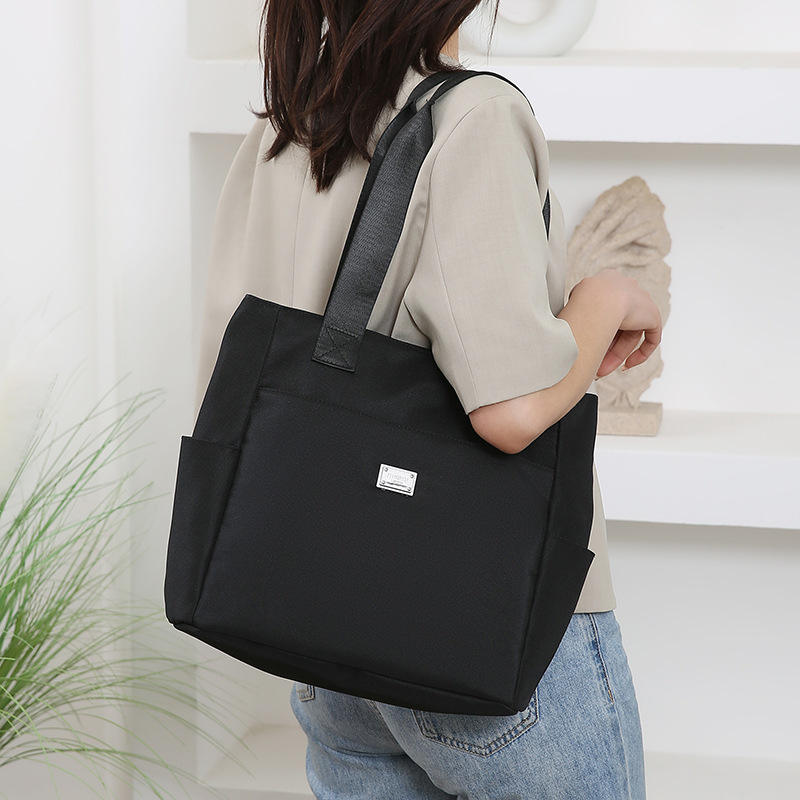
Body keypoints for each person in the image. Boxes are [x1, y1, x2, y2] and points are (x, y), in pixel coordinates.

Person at [195, 2, 661, 797]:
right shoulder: (472, 116)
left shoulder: (291, 121)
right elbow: (511, 410)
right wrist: (605, 299)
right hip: (486, 627)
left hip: (322, 628)